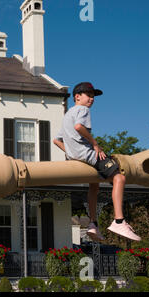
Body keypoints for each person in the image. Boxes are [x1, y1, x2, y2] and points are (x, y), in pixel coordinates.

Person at [53, 82, 141, 242]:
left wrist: (71, 153)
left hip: (76, 157)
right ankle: (119, 221)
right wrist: (95, 144)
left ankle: (92, 223)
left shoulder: (67, 114)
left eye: (93, 96)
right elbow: (79, 127)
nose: (92, 99)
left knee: (94, 185)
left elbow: (56, 140)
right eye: (89, 95)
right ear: (77, 97)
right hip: (88, 154)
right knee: (119, 178)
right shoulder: (83, 109)